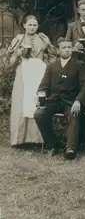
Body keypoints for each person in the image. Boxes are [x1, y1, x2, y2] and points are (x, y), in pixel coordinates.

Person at [34, 38, 85, 159]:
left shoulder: (79, 65)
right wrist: (39, 97)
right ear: (58, 51)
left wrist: (78, 101)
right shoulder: (51, 66)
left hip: (71, 101)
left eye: (69, 48)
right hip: (54, 101)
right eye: (64, 48)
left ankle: (70, 148)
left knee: (73, 113)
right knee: (39, 114)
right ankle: (53, 144)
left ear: (72, 50)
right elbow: (43, 86)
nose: (66, 50)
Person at [8, 15, 57, 147]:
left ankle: (38, 139)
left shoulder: (42, 38)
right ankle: (20, 139)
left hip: (39, 71)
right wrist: (19, 52)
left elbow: (53, 56)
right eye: (29, 25)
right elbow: (11, 62)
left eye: (34, 25)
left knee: (37, 102)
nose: (32, 27)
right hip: (23, 71)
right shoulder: (19, 39)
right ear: (24, 25)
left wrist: (46, 67)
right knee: (22, 102)